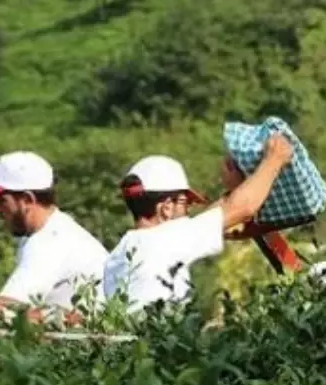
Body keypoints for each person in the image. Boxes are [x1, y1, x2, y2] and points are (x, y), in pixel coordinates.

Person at [103, 133, 294, 313]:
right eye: (185, 204)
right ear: (166, 208)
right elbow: (240, 208)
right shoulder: (166, 242)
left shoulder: (119, 254)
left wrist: (239, 188)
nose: (189, 212)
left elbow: (218, 213)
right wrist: (274, 159)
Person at [0, 151, 109, 314]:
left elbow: (7, 306)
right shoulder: (51, 230)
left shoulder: (51, 242)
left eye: (1, 201)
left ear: (27, 199)